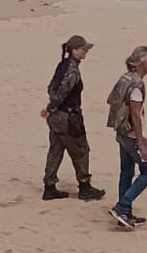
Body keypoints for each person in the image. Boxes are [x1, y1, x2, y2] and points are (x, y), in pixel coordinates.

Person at [39, 35, 106, 201]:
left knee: (56, 149)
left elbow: (52, 88)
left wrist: (52, 108)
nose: (86, 52)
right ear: (74, 51)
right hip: (67, 116)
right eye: (84, 49)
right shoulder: (72, 70)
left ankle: (49, 186)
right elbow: (62, 92)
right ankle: (84, 186)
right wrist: (51, 107)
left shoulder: (63, 64)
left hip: (57, 117)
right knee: (81, 150)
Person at [106, 45, 147, 229]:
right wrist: (141, 141)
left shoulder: (124, 79)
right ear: (142, 62)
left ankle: (124, 213)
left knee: (126, 171)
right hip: (130, 135)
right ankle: (123, 206)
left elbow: (110, 99)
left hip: (121, 132)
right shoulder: (136, 85)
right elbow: (135, 115)